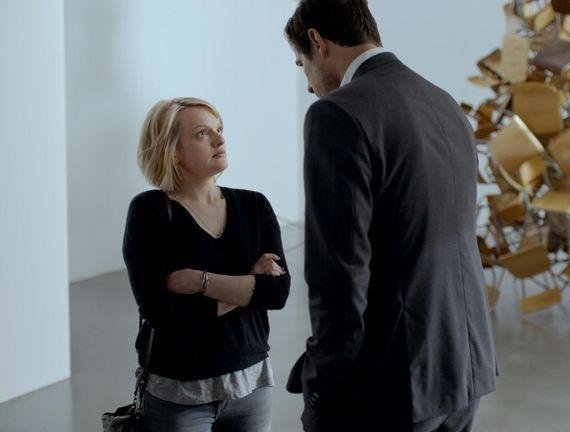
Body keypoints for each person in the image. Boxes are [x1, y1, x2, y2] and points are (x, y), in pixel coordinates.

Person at [284, 1, 497, 431]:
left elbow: (339, 274)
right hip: (464, 367)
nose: (307, 85)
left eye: (301, 65)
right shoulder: (443, 103)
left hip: (391, 381)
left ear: (317, 42)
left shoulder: (337, 114)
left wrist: (321, 384)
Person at [123, 97, 290, 432]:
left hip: (251, 383)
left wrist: (201, 282)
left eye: (219, 129)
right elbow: (162, 312)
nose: (219, 139)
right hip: (180, 393)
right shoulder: (150, 211)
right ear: (173, 151)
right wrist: (249, 281)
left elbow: (277, 293)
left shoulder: (254, 206)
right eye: (202, 133)